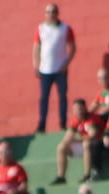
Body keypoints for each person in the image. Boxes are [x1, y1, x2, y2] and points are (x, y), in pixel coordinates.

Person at [33, 4, 77, 132]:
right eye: (48, 12)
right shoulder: (41, 28)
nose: (51, 14)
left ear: (57, 13)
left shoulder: (65, 28)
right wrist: (36, 65)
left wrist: (66, 64)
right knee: (44, 98)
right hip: (45, 70)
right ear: (45, 14)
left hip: (60, 70)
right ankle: (42, 125)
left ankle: (63, 123)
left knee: (62, 97)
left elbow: (73, 48)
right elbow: (36, 48)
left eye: (53, 12)